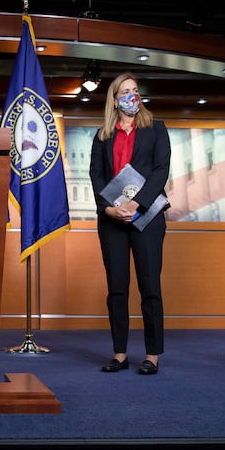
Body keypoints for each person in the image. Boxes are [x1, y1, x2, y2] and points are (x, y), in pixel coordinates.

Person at [89, 73, 171, 376]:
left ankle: (152, 355)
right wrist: (109, 210)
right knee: (117, 289)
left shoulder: (156, 129)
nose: (131, 96)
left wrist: (137, 204)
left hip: (147, 217)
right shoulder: (102, 135)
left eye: (135, 91)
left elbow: (161, 170)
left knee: (150, 286)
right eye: (125, 92)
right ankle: (120, 353)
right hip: (112, 221)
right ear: (114, 99)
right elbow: (96, 176)